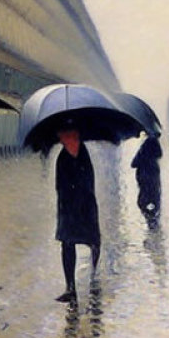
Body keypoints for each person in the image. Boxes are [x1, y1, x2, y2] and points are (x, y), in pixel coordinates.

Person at [54, 128, 100, 302]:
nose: (61, 139)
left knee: (93, 242)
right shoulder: (62, 157)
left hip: (85, 207)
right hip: (67, 208)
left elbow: (87, 182)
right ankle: (70, 287)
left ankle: (94, 277)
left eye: (64, 135)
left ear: (74, 136)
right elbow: (59, 185)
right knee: (67, 244)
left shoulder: (83, 154)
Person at [130, 133, 162, 220]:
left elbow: (133, 164)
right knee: (153, 205)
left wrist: (140, 151)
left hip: (145, 184)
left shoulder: (144, 152)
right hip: (153, 184)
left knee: (144, 204)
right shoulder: (155, 161)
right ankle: (153, 224)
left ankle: (151, 223)